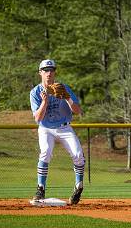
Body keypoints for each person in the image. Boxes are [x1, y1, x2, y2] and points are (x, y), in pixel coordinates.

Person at [30, 59, 85, 205]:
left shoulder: (64, 88)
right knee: (46, 152)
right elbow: (37, 118)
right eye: (45, 70)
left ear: (55, 72)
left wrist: (67, 97)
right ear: (40, 73)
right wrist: (44, 102)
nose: (49, 73)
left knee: (78, 155)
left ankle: (78, 186)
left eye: (51, 70)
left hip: (64, 127)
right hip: (46, 128)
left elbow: (78, 111)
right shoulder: (35, 92)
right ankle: (40, 188)